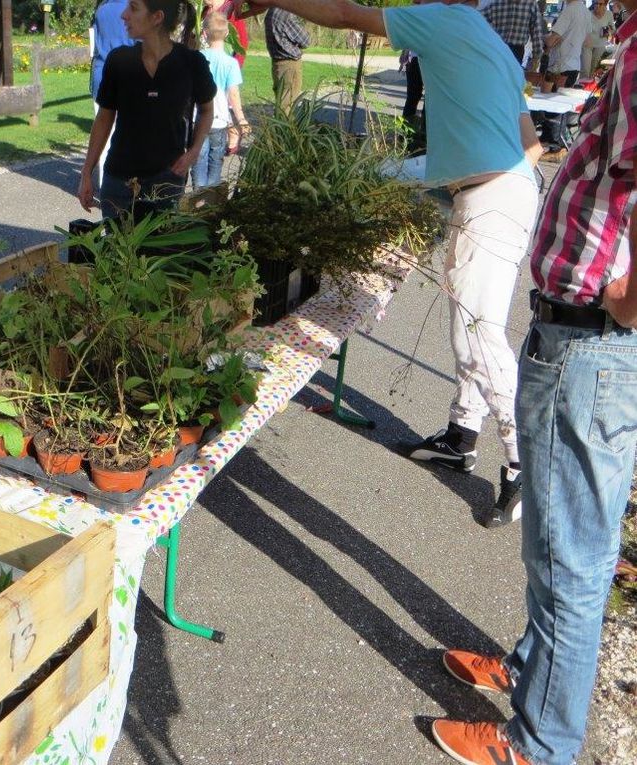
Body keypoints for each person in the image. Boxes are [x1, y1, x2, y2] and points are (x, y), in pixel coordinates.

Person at [256, 0, 542, 523]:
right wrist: (454, 177)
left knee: (478, 336)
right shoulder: (495, 45)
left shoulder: (441, 19)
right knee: (474, 325)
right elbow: (532, 146)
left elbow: (344, 13)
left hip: (490, 197)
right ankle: (462, 435)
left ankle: (523, 468)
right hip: (510, 189)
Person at [439, 4, 637, 762]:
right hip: (578, 336)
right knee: (562, 539)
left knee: (570, 558)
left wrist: (625, 297)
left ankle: (538, 741)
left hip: (592, 340)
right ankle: (530, 673)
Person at [78, 0, 215, 221]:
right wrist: (86, 173)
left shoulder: (191, 63)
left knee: (159, 252)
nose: (124, 15)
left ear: (156, 17)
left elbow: (207, 111)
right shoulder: (119, 61)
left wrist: (194, 150)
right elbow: (104, 119)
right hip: (118, 181)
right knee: (117, 253)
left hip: (167, 182)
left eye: (133, 8)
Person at [191, 12, 246, 188]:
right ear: (227, 34)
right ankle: (211, 200)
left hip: (198, 117)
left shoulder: (197, 58)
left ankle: (197, 197)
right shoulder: (230, 63)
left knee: (198, 158)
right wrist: (241, 119)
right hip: (220, 119)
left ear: (204, 34)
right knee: (215, 162)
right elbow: (234, 94)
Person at [89, 0, 134, 187]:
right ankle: (126, 182)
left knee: (103, 128)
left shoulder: (102, 9)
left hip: (102, 72)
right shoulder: (134, 8)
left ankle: (104, 182)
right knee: (128, 132)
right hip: (128, 73)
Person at [264, 6, 311, 113]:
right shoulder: (286, 14)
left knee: (281, 100)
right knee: (287, 105)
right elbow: (306, 40)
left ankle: (279, 128)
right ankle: (283, 129)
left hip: (277, 63)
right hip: (289, 65)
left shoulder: (271, 11)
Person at [481, 0, 545, 65]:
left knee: (497, 72)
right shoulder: (530, 4)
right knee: (513, 73)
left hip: (498, 48)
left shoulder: (496, 3)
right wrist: (536, 57)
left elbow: (479, 19)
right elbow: (536, 31)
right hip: (517, 51)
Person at [545, 0, 589, 86]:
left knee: (548, 95)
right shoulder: (586, 12)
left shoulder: (568, 10)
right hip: (574, 65)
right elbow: (587, 41)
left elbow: (551, 41)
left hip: (561, 67)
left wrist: (543, 38)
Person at [582, 0, 614, 76]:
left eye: (600, 4)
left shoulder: (609, 14)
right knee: (585, 69)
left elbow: (613, 29)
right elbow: (581, 28)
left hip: (600, 45)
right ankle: (582, 85)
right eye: (596, 3)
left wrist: (608, 30)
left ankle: (589, 86)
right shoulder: (588, 13)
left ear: (605, 5)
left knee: (593, 69)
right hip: (587, 45)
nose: (597, 6)